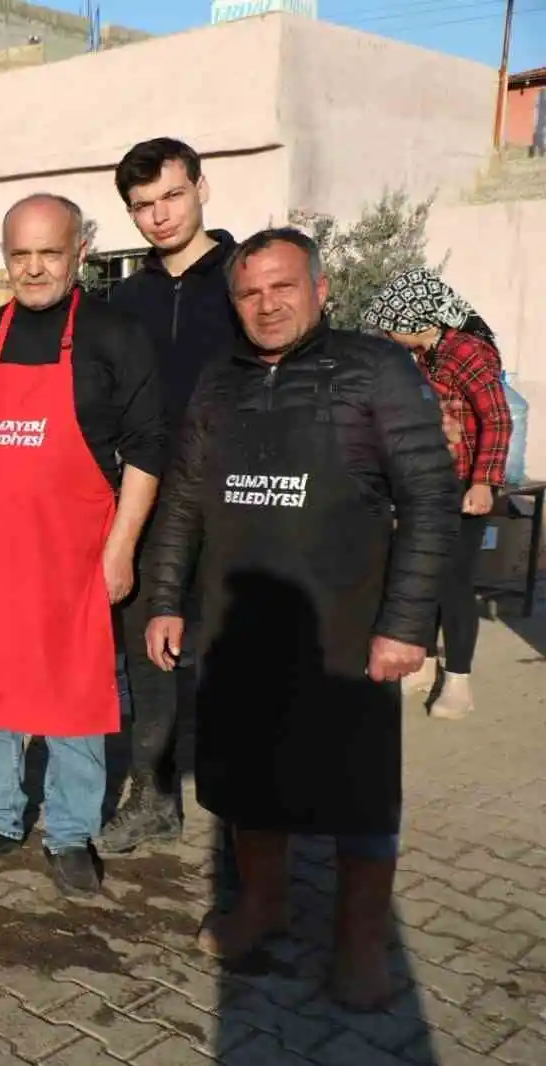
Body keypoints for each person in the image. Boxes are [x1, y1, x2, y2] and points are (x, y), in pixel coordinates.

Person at [142, 229, 458, 1009]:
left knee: (359, 794)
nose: (267, 304)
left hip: (346, 633)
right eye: (250, 293)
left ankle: (358, 939)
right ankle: (263, 904)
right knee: (248, 785)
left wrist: (407, 623)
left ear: (321, 289)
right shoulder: (219, 384)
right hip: (239, 629)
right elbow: (182, 500)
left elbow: (429, 496)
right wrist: (164, 600)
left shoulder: (376, 371)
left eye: (283, 287)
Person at [0, 194, 165, 897]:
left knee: (73, 700)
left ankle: (68, 832)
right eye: (20, 254)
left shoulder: (114, 337)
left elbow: (149, 452)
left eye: (49, 253)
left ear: (80, 253)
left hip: (72, 556)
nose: (33, 268)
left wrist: (121, 549)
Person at [99, 138, 244, 857]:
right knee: (149, 657)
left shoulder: (250, 279)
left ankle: (250, 814)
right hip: (152, 503)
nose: (158, 217)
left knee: (237, 663)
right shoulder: (126, 300)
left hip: (240, 504)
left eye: (171, 197)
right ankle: (151, 797)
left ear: (202, 189)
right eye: (142, 206)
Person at [362, 268, 512, 720]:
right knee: (419, 572)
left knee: (452, 582)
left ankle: (459, 682)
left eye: (391, 327)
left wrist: (485, 482)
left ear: (416, 319)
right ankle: (423, 665)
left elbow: (498, 419)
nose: (388, 335)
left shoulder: (467, 352)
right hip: (429, 485)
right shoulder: (427, 356)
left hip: (467, 487)